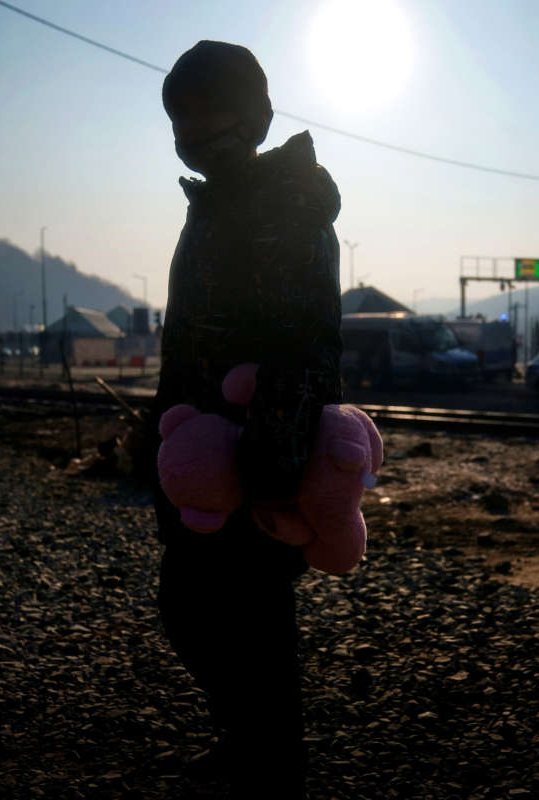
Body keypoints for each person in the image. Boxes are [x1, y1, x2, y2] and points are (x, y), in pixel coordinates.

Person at [148, 40, 343, 799]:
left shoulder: (285, 206)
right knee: (194, 609)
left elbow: (306, 345)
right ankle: (249, 741)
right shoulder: (218, 203)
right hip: (200, 454)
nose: (195, 131)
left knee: (252, 624)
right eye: (181, 118)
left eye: (211, 111)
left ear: (258, 114)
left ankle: (271, 766)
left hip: (257, 457)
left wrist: (272, 469)